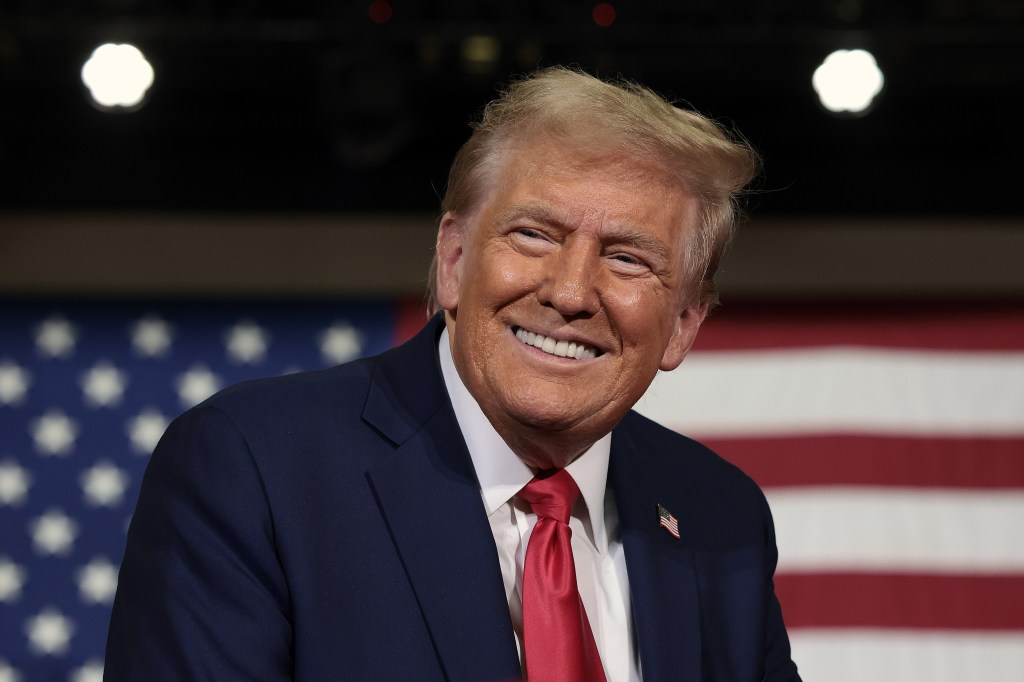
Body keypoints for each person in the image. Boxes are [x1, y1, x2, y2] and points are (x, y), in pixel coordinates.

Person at [105, 66, 801, 681]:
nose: (568, 292)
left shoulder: (719, 516)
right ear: (455, 260)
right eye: (534, 235)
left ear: (683, 323)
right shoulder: (255, 466)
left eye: (627, 259)